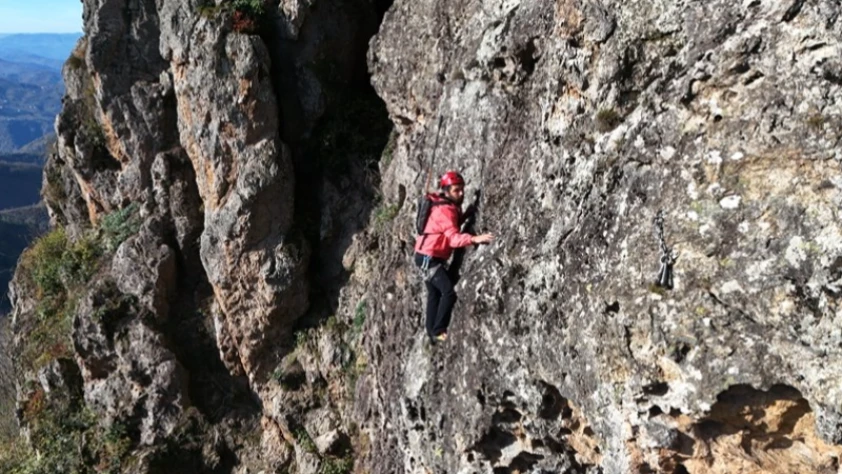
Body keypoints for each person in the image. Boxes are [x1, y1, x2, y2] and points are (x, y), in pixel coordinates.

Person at [414, 171, 494, 343]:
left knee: (434, 293)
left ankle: (431, 332)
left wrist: (465, 215)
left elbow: (449, 227)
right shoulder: (446, 210)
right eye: (457, 190)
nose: (461, 193)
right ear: (446, 191)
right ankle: (439, 330)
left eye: (462, 189)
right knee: (448, 292)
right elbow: (453, 238)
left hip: (424, 255)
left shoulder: (444, 205)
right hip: (429, 258)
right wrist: (474, 239)